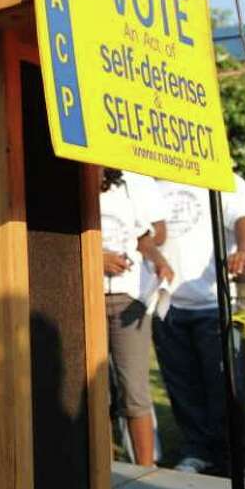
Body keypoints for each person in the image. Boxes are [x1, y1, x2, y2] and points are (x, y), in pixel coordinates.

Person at [153, 173, 245, 474]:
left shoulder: (225, 180)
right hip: (168, 302)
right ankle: (197, 451)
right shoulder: (154, 182)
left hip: (215, 302)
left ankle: (232, 457)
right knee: (182, 385)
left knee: (223, 386)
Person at [99, 168, 172, 467]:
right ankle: (101, 469)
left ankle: (146, 470)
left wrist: (159, 260)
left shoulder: (127, 187)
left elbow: (145, 238)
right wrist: (97, 257)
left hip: (128, 300)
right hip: (86, 297)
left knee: (135, 391)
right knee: (95, 393)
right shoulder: (71, 182)